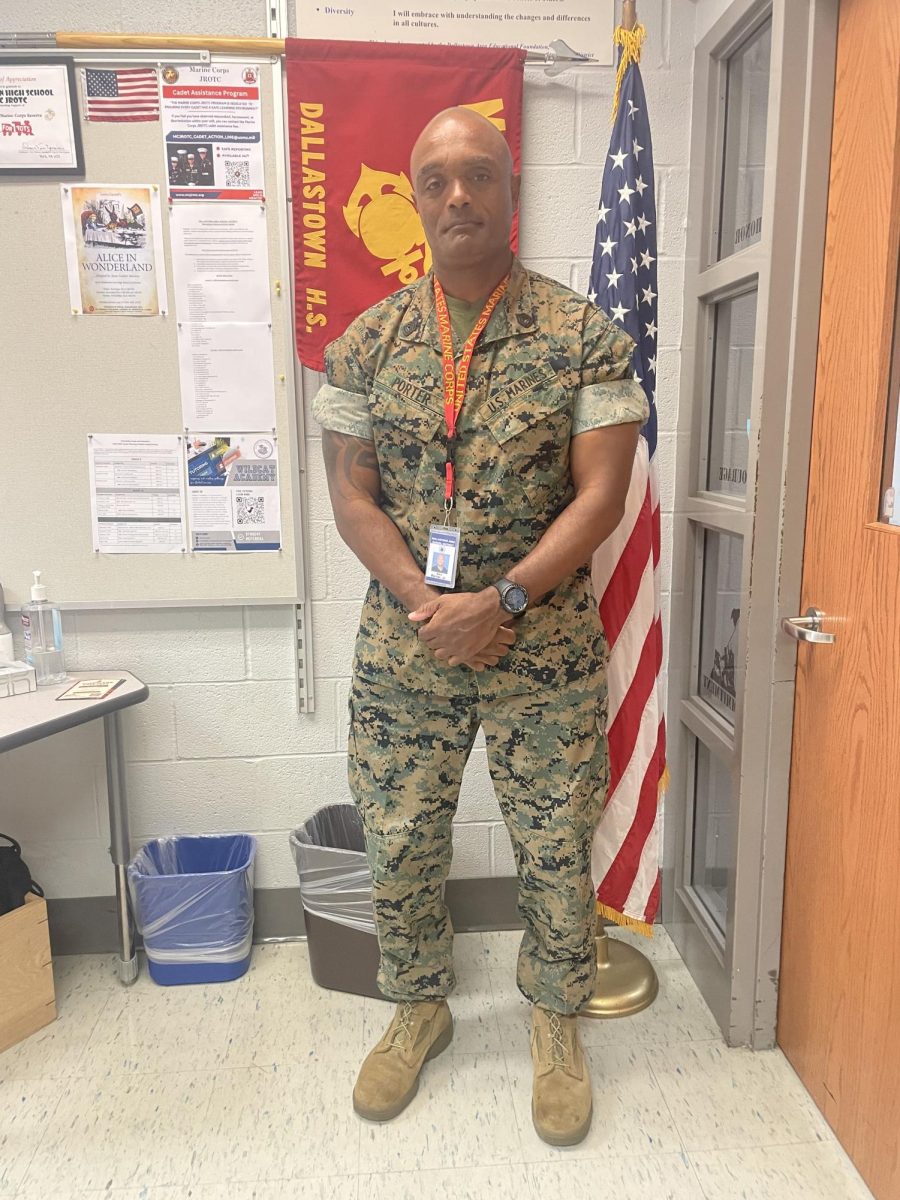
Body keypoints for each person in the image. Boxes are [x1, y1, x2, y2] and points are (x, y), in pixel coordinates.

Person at [313, 107, 648, 1146]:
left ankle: (554, 1021)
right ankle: (418, 1007)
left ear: (510, 190)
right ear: (414, 202)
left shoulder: (584, 335)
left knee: (552, 838)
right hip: (409, 643)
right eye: (437, 181)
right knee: (403, 834)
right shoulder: (366, 344)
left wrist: (499, 603)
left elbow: (602, 497)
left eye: (480, 176)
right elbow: (351, 497)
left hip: (538, 644)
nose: (459, 195)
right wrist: (429, 603)